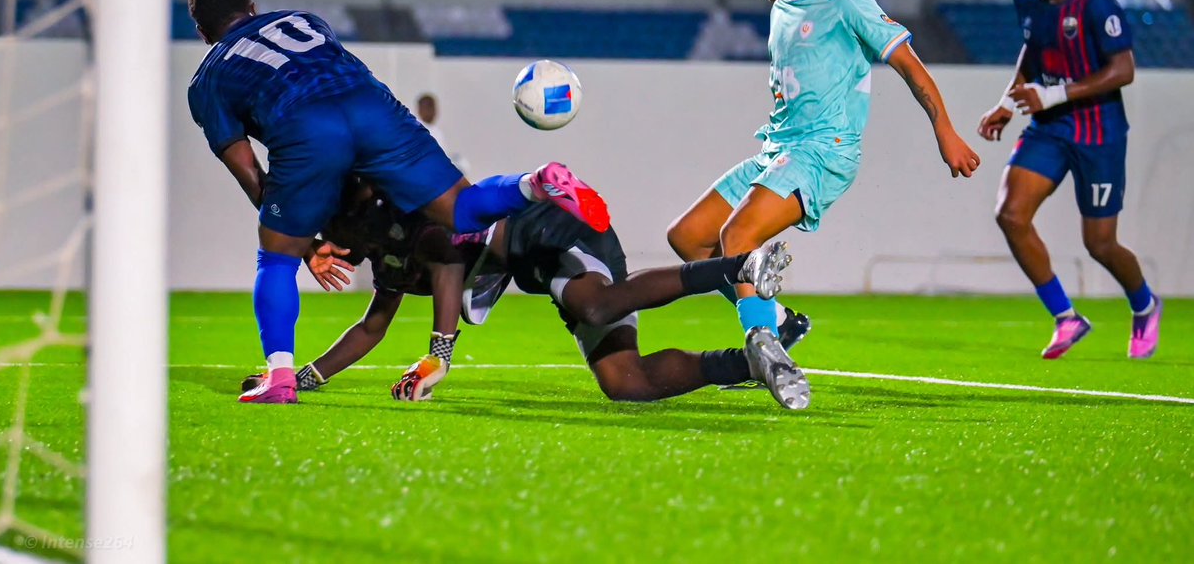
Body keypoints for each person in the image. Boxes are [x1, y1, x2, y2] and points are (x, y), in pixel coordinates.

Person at [186, 0, 610, 405]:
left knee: (274, 258)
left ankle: (279, 377)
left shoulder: (207, 81)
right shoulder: (303, 20)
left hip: (305, 125)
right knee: (462, 208)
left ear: (202, 32)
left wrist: (301, 242)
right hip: (371, 106)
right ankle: (534, 183)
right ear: (253, 7)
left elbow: (248, 170)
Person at [667, 0, 980, 382]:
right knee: (689, 237)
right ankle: (778, 322)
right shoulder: (781, 9)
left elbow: (910, 66)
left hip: (824, 151)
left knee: (738, 238)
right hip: (779, 149)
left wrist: (945, 129)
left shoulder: (845, 0)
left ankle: (763, 350)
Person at [244, 180, 810, 410]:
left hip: (547, 227)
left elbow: (445, 265)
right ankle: (753, 364)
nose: (321, 245)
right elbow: (372, 327)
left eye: (323, 231)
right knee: (624, 383)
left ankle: (738, 266)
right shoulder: (384, 259)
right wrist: (304, 377)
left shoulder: (404, 216)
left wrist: (439, 357)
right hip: (535, 265)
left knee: (595, 305)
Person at [977, 0, 1161, 359]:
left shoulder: (1099, 6)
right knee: (1011, 214)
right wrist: (1006, 102)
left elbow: (1124, 70)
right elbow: (1031, 51)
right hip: (1050, 129)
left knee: (1099, 243)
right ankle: (1067, 317)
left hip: (1099, 133)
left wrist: (1055, 94)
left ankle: (1144, 303)